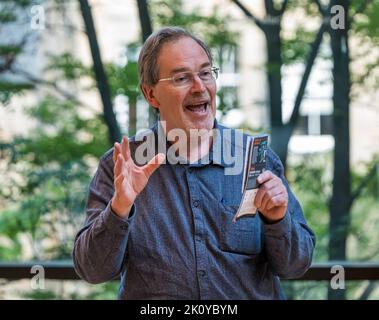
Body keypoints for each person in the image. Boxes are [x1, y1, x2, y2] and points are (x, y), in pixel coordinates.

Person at [73, 26, 316, 299]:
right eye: (181, 78)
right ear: (151, 95)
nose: (200, 87)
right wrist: (119, 208)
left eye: (205, 73)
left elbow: (296, 266)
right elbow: (92, 270)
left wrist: (277, 219)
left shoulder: (255, 159)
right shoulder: (123, 165)